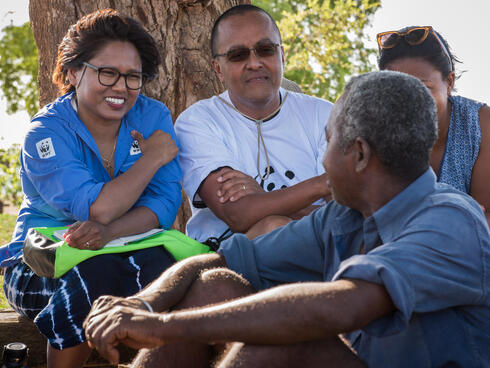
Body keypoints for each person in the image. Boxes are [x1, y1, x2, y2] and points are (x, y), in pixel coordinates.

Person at [84, 71, 490, 368]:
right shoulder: (343, 217)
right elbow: (223, 260)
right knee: (216, 285)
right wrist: (144, 304)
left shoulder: (452, 222)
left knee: (283, 345)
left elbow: (344, 306)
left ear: (361, 155)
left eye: (329, 141)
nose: (323, 160)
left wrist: (166, 327)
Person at [0, 9, 182, 368]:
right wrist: (152, 158)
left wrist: (109, 232)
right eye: (107, 73)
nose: (121, 87)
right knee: (97, 274)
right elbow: (96, 209)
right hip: (42, 263)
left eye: (133, 77)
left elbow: (163, 201)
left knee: (172, 274)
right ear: (72, 72)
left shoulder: (152, 115)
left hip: (131, 252)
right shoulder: (46, 134)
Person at [174, 4, 333, 242]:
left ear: (282, 56)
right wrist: (323, 184)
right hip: (226, 255)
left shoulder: (324, 114)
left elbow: (346, 215)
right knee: (275, 227)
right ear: (218, 69)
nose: (255, 62)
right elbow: (238, 214)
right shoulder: (198, 121)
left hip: (321, 244)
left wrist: (260, 198)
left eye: (266, 49)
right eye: (238, 55)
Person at [377, 26, 490, 222]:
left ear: (449, 82)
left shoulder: (480, 124)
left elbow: (485, 216)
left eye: (423, 87)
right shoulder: (375, 131)